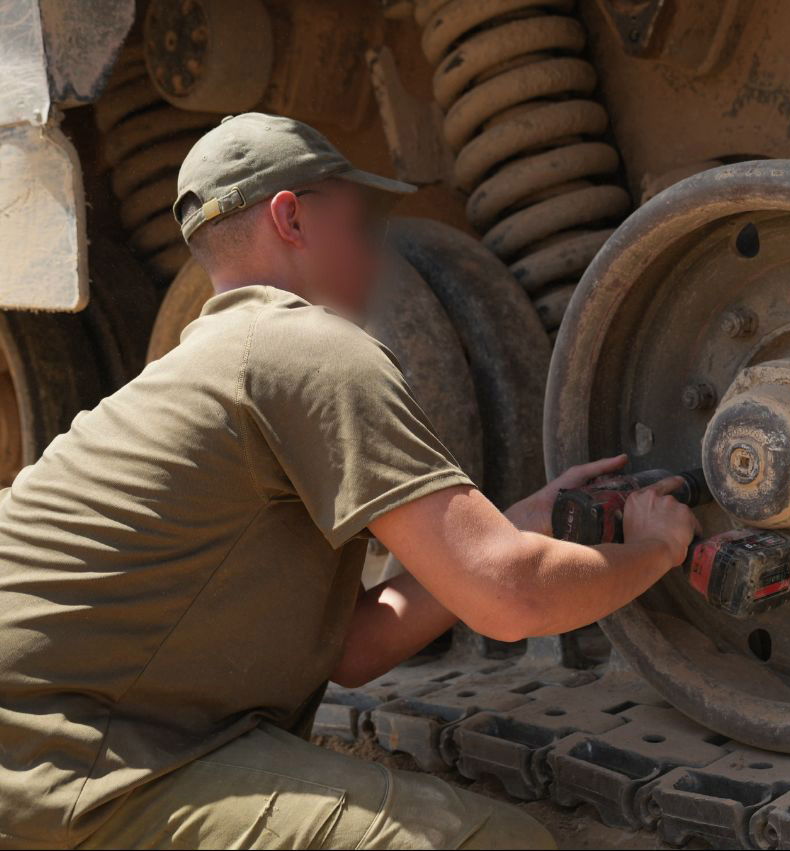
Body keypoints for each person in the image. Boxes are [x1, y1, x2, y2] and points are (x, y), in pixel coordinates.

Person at [0, 113, 700, 849]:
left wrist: (519, 524)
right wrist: (656, 549)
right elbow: (511, 597)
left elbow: (352, 650)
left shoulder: (214, 357)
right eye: (363, 223)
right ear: (290, 216)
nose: (377, 250)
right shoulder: (309, 347)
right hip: (67, 765)